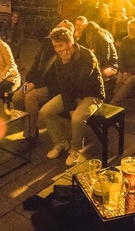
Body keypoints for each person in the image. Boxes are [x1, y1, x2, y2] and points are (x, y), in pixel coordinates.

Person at [39, 26, 105, 166]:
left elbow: (80, 81)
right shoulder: (59, 59)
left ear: (70, 42)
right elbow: (63, 86)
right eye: (55, 46)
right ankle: (61, 143)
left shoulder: (87, 56)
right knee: (46, 111)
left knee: (76, 118)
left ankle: (76, 149)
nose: (57, 50)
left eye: (60, 45)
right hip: (73, 93)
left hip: (92, 94)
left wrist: (67, 64)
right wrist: (69, 106)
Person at [12, 21, 68, 146]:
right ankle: (29, 127)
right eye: (57, 28)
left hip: (51, 87)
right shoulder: (47, 43)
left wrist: (34, 84)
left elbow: (53, 78)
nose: (57, 33)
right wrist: (29, 80)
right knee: (17, 97)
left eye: (62, 31)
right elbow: (36, 63)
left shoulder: (64, 51)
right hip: (34, 82)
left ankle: (30, 136)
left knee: (30, 97)